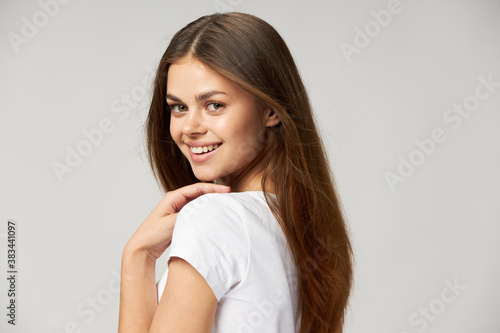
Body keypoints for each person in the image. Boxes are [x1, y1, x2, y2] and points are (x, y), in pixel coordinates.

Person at [118, 12, 354, 333]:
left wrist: (138, 258)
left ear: (271, 109)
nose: (189, 128)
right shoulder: (305, 227)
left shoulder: (212, 219)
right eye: (178, 107)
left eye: (214, 105)